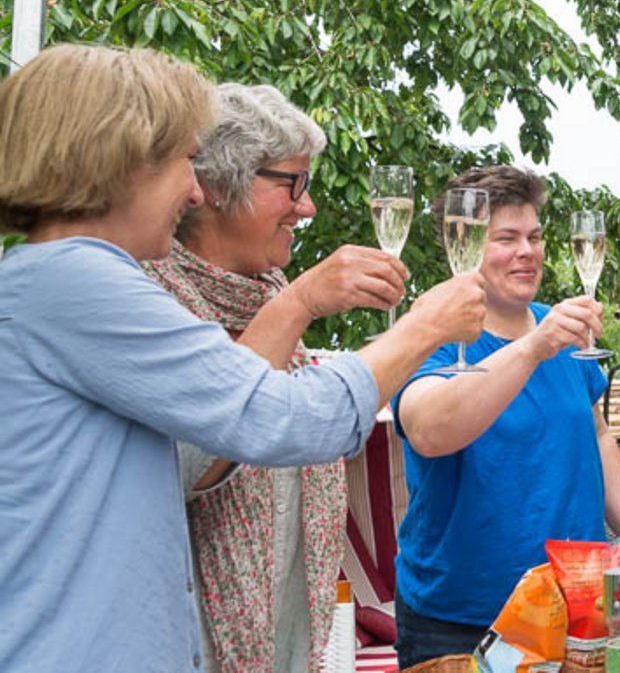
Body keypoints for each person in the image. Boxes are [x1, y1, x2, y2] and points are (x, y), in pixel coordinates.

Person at [0, 44, 486, 671]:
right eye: (183, 161)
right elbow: (282, 416)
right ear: (119, 160)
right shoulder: (76, 281)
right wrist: (425, 328)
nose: (193, 192)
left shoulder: (54, 280)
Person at [144, 83, 410, 673]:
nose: (308, 206)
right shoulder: (154, 297)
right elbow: (200, 452)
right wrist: (300, 305)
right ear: (212, 187)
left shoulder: (267, 295)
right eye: (291, 183)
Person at [390, 165, 620, 667]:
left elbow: (597, 432)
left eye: (535, 236)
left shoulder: (562, 330)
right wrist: (533, 348)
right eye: (507, 238)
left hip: (578, 613)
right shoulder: (430, 337)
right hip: (463, 625)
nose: (527, 251)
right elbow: (429, 431)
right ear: (462, 245)